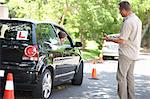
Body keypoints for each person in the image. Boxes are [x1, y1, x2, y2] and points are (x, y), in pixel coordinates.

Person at [104, 1, 142, 99]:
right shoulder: (137, 20)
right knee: (130, 77)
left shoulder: (128, 22)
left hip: (126, 54)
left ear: (124, 10)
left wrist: (110, 39)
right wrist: (111, 36)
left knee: (121, 77)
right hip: (134, 54)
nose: (119, 12)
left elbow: (122, 40)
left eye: (120, 10)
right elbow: (125, 34)